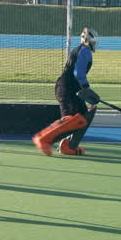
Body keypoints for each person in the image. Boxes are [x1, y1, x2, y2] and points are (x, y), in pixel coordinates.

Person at [32, 27, 99, 156]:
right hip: (68, 89)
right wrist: (87, 90)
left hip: (71, 88)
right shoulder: (85, 51)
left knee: (84, 115)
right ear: (89, 40)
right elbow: (78, 73)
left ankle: (69, 146)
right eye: (94, 40)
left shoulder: (80, 50)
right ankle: (44, 139)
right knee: (72, 119)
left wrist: (86, 92)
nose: (96, 43)